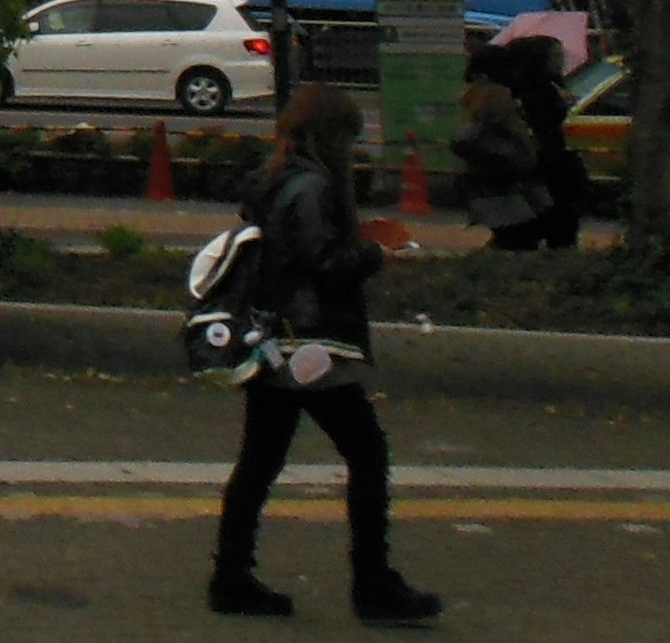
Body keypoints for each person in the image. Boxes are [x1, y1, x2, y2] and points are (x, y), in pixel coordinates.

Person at [210, 85, 440, 624]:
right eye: (351, 138)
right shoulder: (315, 186)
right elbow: (324, 262)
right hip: (311, 341)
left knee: (260, 459)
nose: (354, 150)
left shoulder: (277, 179)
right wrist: (374, 253)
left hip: (271, 340)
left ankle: (232, 575)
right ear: (334, 135)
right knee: (367, 453)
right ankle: (373, 584)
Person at [491, 36, 588, 251]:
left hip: (553, 158)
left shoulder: (552, 84)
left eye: (561, 55)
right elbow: (539, 121)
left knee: (561, 216)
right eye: (554, 55)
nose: (560, 60)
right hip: (537, 161)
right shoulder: (527, 90)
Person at [447, 53, 544, 248]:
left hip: (481, 175)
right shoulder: (496, 94)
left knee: (506, 235)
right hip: (505, 176)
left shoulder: (473, 93)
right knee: (518, 237)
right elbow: (517, 132)